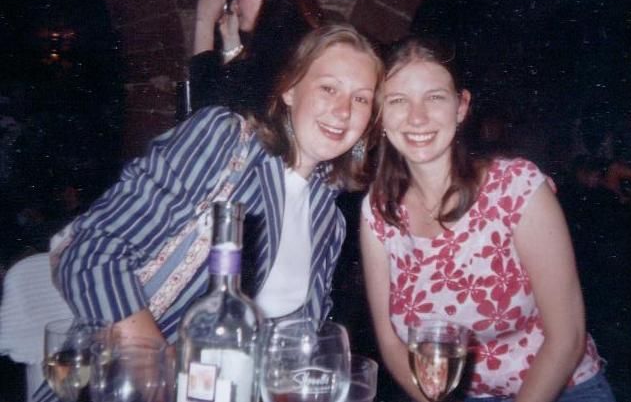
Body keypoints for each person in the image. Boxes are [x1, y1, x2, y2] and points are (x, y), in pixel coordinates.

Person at [33, 24, 381, 402]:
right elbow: (91, 254)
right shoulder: (225, 142)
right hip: (123, 389)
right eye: (328, 88)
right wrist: (158, 373)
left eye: (361, 99)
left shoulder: (329, 221)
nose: (343, 111)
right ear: (290, 90)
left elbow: (298, 350)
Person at [360, 36, 615, 402]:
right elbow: (390, 342)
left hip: (560, 390)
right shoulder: (379, 210)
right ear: (380, 114)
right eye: (398, 100)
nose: (417, 117)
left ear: (461, 107)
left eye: (435, 97)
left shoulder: (517, 188)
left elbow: (567, 339)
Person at [189, 0, 323, 117]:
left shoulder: (287, 48)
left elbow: (209, 118)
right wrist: (231, 45)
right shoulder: (287, 38)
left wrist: (204, 23)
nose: (234, 3)